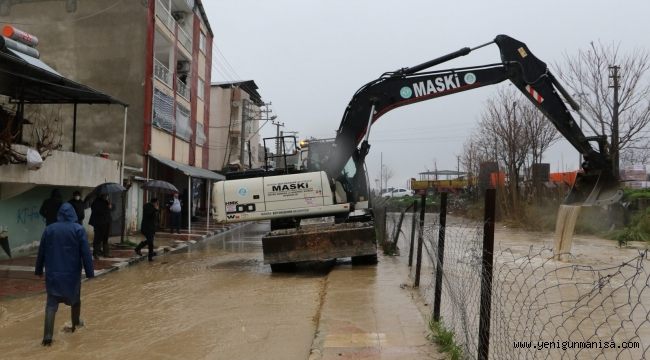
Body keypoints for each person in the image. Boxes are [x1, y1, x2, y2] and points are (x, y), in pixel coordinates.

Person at [35, 203, 94, 346]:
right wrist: (90, 272)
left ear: (59, 214)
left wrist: (38, 270)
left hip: (53, 276)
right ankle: (75, 325)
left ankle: (47, 337)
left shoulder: (49, 229)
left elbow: (41, 252)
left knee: (51, 305)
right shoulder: (78, 230)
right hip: (72, 275)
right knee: (75, 301)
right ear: (73, 214)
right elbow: (86, 253)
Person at [88, 194, 112, 259]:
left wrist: (109, 206)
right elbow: (97, 211)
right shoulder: (96, 202)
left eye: (106, 196)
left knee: (105, 238)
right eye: (105, 195)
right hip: (99, 223)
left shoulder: (106, 202)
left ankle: (106, 253)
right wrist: (107, 207)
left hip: (107, 222)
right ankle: (96, 253)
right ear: (101, 196)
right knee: (98, 238)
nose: (106, 196)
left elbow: (109, 211)